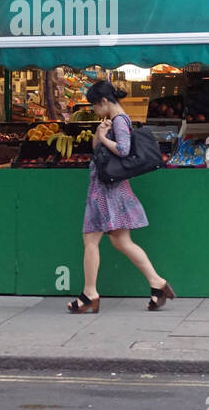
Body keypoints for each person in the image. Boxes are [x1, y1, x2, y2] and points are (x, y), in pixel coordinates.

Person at [67, 80, 175, 314]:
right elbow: (97, 150)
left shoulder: (119, 120)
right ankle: (157, 284)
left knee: (91, 240)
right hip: (110, 188)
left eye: (94, 105)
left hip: (105, 192)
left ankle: (89, 294)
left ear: (104, 101)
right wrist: (99, 133)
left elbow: (124, 150)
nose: (94, 110)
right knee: (121, 241)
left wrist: (105, 138)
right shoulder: (113, 121)